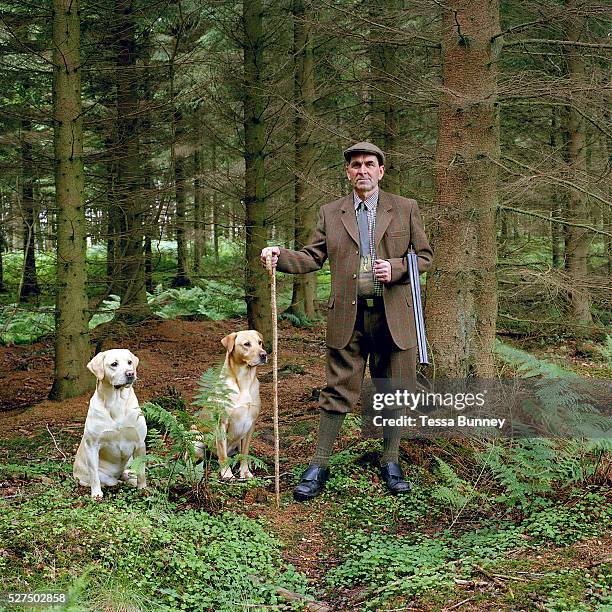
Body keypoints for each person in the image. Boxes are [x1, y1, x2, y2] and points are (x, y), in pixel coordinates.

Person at [260, 141, 432, 501]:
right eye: (356, 165)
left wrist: (398, 268)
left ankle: (391, 460)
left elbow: (425, 257)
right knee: (337, 391)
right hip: (348, 317)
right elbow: (311, 256)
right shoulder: (330, 213)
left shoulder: (405, 208)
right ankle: (319, 463)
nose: (362, 171)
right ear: (348, 172)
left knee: (394, 390)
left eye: (370, 164)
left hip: (393, 316)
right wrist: (281, 256)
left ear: (381, 171)